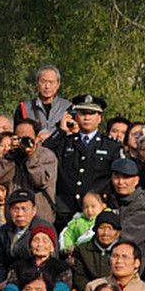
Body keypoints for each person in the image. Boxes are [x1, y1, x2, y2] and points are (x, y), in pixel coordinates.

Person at [46, 94, 117, 223]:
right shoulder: (65, 142)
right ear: (75, 116)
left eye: (91, 113)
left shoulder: (111, 146)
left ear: (99, 118)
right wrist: (61, 131)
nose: (87, 117)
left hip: (96, 213)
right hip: (67, 211)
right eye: (83, 113)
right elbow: (44, 153)